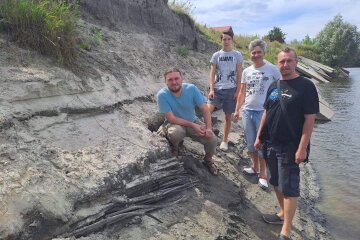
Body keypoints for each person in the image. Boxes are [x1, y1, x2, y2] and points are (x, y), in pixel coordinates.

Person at [254, 47, 319, 240]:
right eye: (282, 61)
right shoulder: (274, 85)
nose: (285, 65)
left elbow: (309, 119)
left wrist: (301, 148)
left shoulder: (306, 86)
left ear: (296, 62)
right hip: (270, 143)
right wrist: (258, 136)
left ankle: (287, 229)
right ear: (277, 63)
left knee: (289, 187)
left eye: (289, 61)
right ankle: (282, 213)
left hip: (290, 146)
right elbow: (266, 112)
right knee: (275, 181)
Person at [233, 39, 281, 189]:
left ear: (264, 53)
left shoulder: (273, 69)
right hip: (247, 111)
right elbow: (242, 92)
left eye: (259, 52)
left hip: (264, 112)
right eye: (253, 52)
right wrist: (237, 110)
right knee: (250, 143)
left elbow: (281, 88)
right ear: (250, 54)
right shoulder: (247, 71)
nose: (256, 55)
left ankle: (263, 175)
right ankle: (254, 167)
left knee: (261, 145)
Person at [156, 68, 219, 176]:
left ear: (181, 79)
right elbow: (171, 118)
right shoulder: (162, 95)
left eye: (176, 78)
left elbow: (205, 110)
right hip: (174, 123)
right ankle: (175, 147)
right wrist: (192, 125)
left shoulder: (191, 89)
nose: (174, 82)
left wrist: (208, 128)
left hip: (192, 120)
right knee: (176, 133)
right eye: (170, 80)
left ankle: (208, 160)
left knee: (212, 139)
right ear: (165, 81)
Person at [208, 29, 243, 151]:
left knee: (228, 117)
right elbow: (212, 73)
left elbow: (239, 74)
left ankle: (224, 141)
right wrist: (211, 89)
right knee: (207, 111)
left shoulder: (237, 55)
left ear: (232, 40)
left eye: (229, 39)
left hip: (231, 89)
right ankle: (208, 135)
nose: (226, 41)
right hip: (217, 89)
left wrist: (238, 91)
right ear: (221, 40)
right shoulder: (216, 55)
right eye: (224, 39)